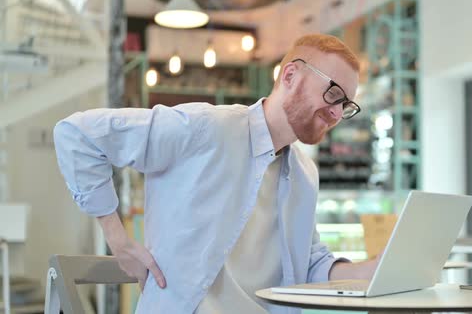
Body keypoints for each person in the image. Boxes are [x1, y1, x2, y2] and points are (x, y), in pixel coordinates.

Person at [53, 34, 379, 313]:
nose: (337, 113)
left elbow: (307, 264)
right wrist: (118, 241)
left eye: (347, 105)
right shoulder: (206, 128)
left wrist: (372, 270)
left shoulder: (306, 173)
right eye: (333, 94)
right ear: (290, 75)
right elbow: (77, 134)